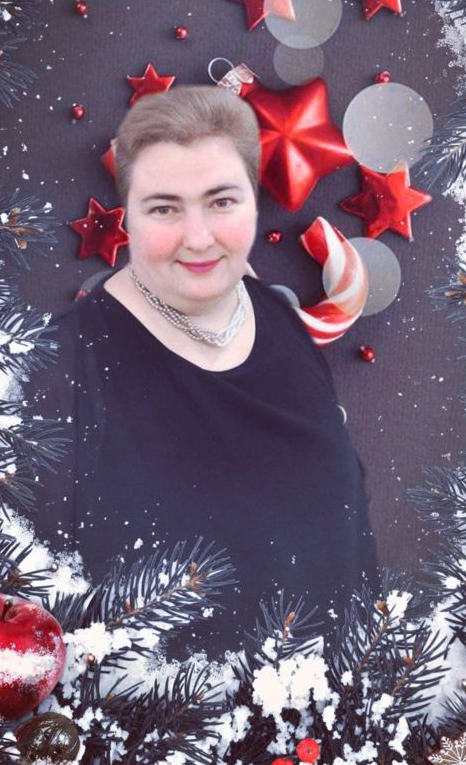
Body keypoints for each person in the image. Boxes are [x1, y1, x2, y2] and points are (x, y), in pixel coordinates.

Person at [28, 84, 380, 662]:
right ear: (129, 216)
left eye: (222, 201)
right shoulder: (64, 362)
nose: (198, 237)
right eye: (164, 207)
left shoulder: (279, 320)